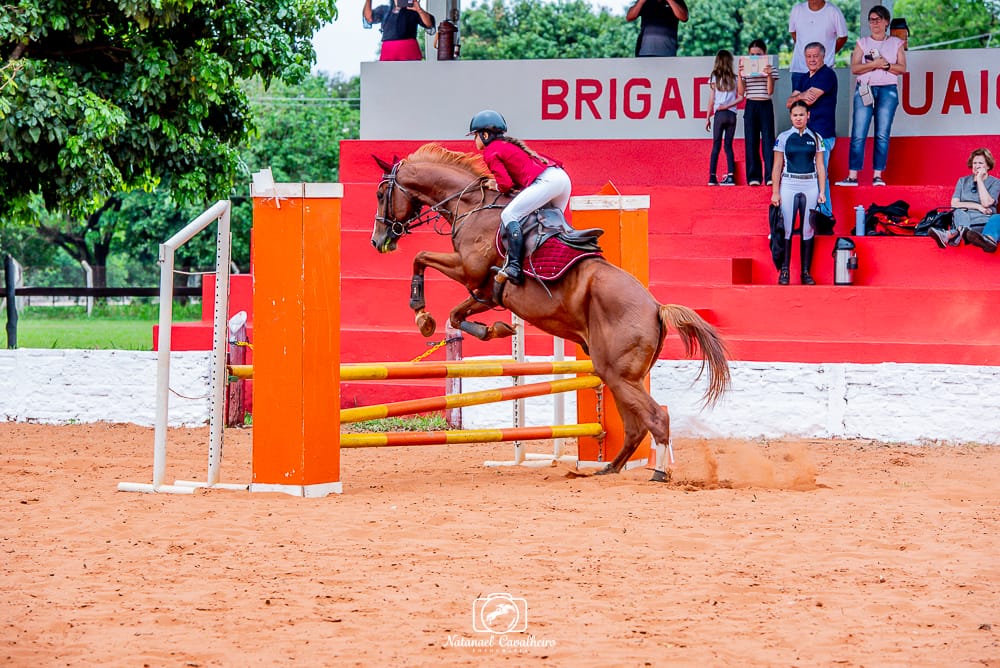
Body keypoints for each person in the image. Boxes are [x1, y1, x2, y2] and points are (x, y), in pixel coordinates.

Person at [468, 110, 572, 285]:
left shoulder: (491, 151)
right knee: (550, 223)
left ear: (485, 135)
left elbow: (506, 185)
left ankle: (515, 267)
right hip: (561, 179)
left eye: (475, 135)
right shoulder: (508, 145)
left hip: (547, 181)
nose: (474, 140)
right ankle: (555, 261)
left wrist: (495, 185)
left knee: (509, 215)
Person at [835, 5, 907, 187]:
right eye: (872, 20)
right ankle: (852, 176)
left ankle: (877, 175)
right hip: (865, 88)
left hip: (887, 89)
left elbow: (902, 68)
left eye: (878, 19)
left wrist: (887, 66)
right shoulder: (862, 43)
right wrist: (875, 64)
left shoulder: (896, 43)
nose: (874, 23)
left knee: (882, 133)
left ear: (886, 22)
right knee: (858, 132)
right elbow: (855, 68)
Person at [770, 100, 827, 285]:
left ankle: (805, 272)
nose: (798, 118)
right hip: (789, 183)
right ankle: (784, 271)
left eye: (801, 114)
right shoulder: (784, 137)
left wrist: (822, 191)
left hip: (810, 183)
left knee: (808, 228)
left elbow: (820, 165)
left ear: (808, 115)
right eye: (795, 115)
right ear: (791, 117)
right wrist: (775, 192)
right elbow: (777, 165)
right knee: (786, 227)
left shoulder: (817, 137)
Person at [786, 42, 837, 217]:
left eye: (816, 56)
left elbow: (807, 102)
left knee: (820, 176)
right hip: (805, 136)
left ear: (823, 56)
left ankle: (825, 215)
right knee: (807, 176)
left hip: (822, 134)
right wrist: (800, 97)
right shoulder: (802, 77)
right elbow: (790, 104)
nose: (812, 59)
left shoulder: (827, 75)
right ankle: (812, 216)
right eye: (809, 56)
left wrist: (797, 98)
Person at [929, 148, 1000, 249]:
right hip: (963, 217)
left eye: (980, 163)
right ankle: (964, 231)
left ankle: (950, 234)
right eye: (974, 163)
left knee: (997, 218)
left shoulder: (996, 182)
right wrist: (978, 206)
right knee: (958, 212)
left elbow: (986, 203)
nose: (977, 166)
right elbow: (954, 203)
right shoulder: (962, 181)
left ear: (988, 166)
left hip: (983, 219)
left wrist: (979, 179)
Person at [738, 39, 778, 187]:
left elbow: (770, 91)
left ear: (764, 54)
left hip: (765, 104)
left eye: (758, 54)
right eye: (752, 54)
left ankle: (770, 176)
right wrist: (740, 75)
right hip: (751, 104)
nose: (755, 57)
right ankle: (753, 176)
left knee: (768, 141)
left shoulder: (771, 68)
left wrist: (768, 75)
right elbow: (741, 93)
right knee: (751, 141)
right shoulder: (745, 67)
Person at [788, 0, 848, 93]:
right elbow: (793, 32)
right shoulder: (797, 10)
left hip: (823, 71)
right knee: (797, 105)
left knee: (821, 106)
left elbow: (843, 37)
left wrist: (826, 54)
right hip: (799, 69)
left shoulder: (833, 11)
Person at [706, 50, 742, 187]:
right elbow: (740, 97)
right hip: (732, 114)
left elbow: (711, 100)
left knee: (716, 145)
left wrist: (707, 117)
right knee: (728, 146)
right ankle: (731, 176)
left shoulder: (715, 77)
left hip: (719, 115)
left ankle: (712, 176)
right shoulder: (735, 78)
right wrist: (728, 105)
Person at [363, 0, 436, 61]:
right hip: (388, 51)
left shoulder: (412, 9)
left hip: (409, 50)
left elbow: (429, 24)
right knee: (387, 76)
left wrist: (419, 10)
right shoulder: (384, 10)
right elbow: (368, 18)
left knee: (412, 76)